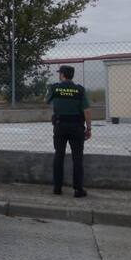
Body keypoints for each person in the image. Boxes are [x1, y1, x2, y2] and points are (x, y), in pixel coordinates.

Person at [45, 65, 92, 197]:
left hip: (60, 126)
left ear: (62, 75)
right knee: (77, 158)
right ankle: (78, 189)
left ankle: (57, 188)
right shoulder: (79, 90)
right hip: (76, 127)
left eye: (60, 73)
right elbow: (87, 111)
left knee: (59, 156)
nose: (59, 75)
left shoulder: (55, 88)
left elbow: (46, 101)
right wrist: (89, 128)